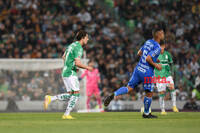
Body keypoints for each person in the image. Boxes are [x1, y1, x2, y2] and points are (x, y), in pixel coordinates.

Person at [104, 25, 164, 118]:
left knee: (129, 88)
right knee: (149, 93)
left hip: (138, 69)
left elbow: (139, 53)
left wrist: (154, 60)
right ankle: (146, 113)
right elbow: (148, 58)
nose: (163, 34)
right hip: (147, 72)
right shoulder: (158, 47)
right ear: (158, 35)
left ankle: (114, 94)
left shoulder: (148, 42)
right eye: (162, 33)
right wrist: (156, 65)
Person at [44, 30, 93, 119]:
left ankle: (51, 99)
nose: (88, 39)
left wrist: (71, 65)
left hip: (65, 71)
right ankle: (66, 114)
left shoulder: (71, 45)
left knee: (71, 95)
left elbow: (64, 57)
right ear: (82, 38)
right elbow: (78, 63)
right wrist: (88, 67)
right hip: (70, 72)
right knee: (76, 94)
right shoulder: (78, 47)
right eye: (87, 37)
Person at [154, 40, 179, 115]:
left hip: (167, 75)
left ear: (164, 46)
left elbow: (171, 64)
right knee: (162, 93)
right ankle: (163, 110)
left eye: (162, 46)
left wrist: (172, 74)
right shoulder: (154, 55)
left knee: (172, 88)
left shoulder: (167, 54)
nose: (160, 48)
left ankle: (174, 106)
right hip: (159, 76)